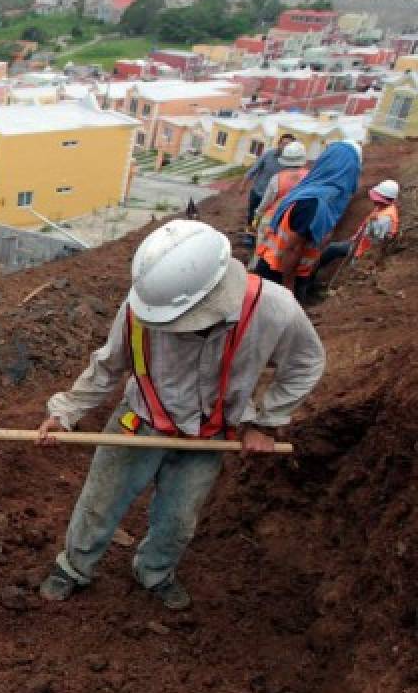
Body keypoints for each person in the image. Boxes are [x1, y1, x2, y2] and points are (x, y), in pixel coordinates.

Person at [36, 220, 326, 610]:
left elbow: (307, 363)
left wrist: (266, 423)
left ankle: (155, 571)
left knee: (179, 519)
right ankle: (73, 567)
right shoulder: (143, 306)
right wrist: (65, 411)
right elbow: (106, 367)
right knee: (99, 502)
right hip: (138, 422)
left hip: (209, 436)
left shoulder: (273, 310)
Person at [252, 140, 362, 301]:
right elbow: (292, 249)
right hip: (278, 275)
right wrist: (288, 291)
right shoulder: (314, 203)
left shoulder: (318, 194)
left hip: (284, 271)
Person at [315, 179, 401, 277]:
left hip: (364, 252)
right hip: (359, 244)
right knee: (332, 248)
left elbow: (376, 245)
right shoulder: (383, 207)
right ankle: (316, 269)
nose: (373, 200)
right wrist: (356, 237)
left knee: (350, 269)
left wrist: (359, 258)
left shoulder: (384, 219)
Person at [248, 141, 310, 270]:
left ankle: (254, 275)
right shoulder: (311, 177)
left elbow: (266, 202)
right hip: (296, 221)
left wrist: (257, 216)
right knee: (285, 252)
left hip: (271, 220)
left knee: (261, 252)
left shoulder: (278, 178)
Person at [241, 134, 297, 228]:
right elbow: (253, 169)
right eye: (283, 144)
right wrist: (243, 185)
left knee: (266, 219)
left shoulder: (292, 162)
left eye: (289, 145)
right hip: (258, 192)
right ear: (279, 143)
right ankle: (249, 234)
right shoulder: (268, 154)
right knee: (252, 214)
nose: (285, 147)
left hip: (275, 198)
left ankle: (259, 236)